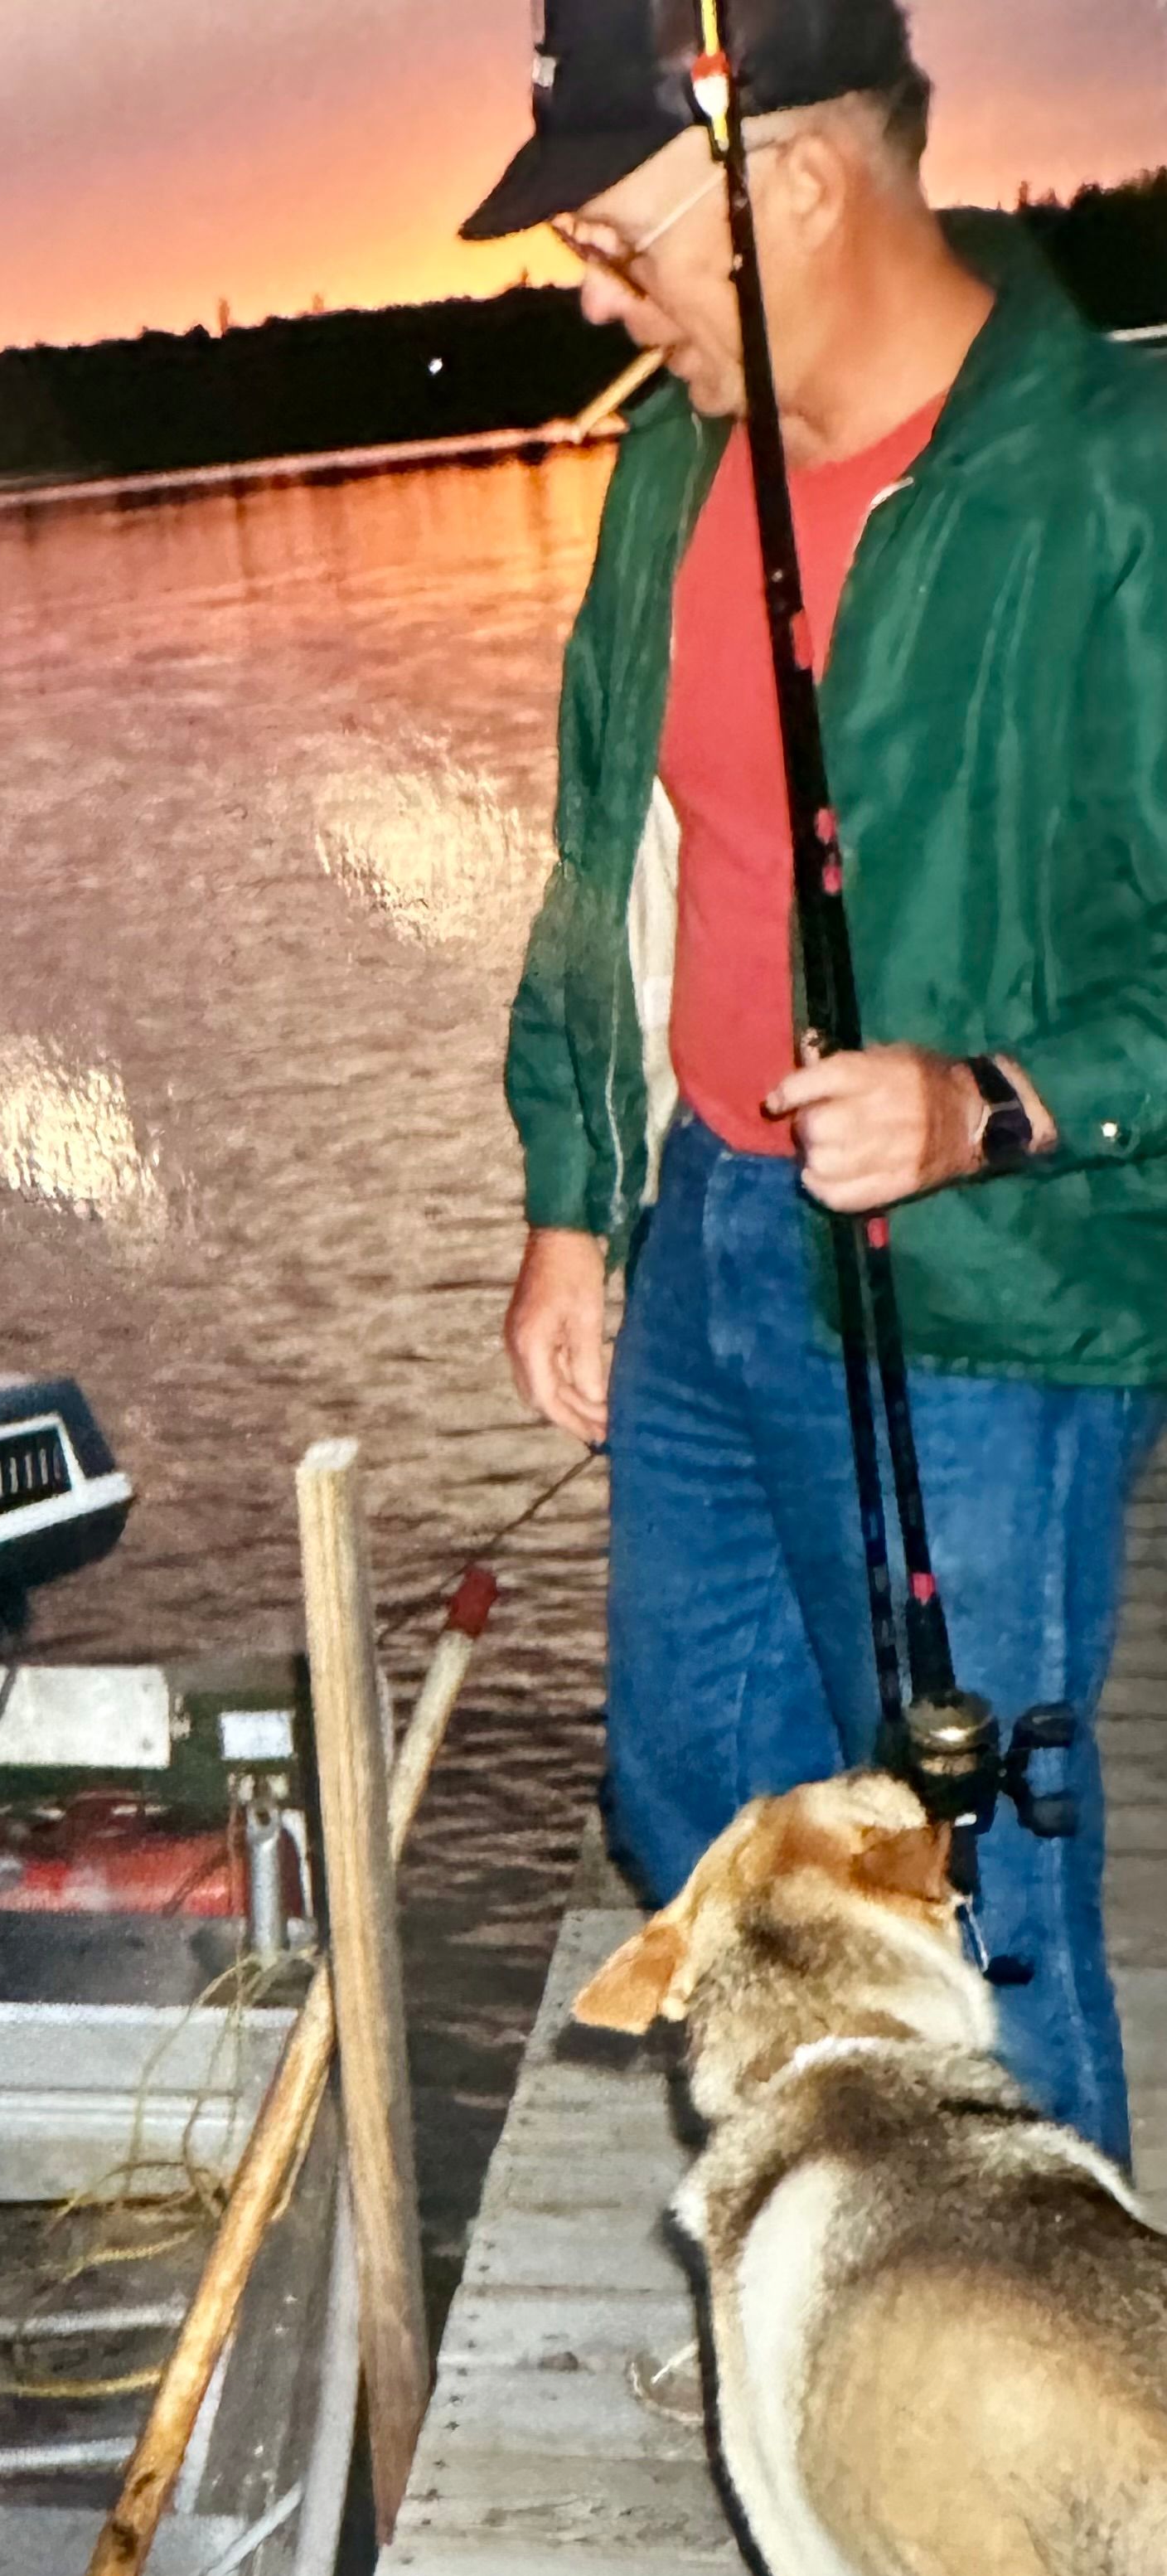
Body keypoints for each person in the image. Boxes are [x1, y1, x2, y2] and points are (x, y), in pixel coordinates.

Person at [465, 0, 1167, 2161]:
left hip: (987, 1290)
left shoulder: (1113, 483)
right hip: (706, 1222)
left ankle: (1056, 2359)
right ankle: (835, 2250)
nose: (600, 299)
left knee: (983, 1900)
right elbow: (605, 862)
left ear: (788, 187)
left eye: (620, 242)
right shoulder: (672, 468)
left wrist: (993, 1101)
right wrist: (571, 1201)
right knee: (698, 1796)